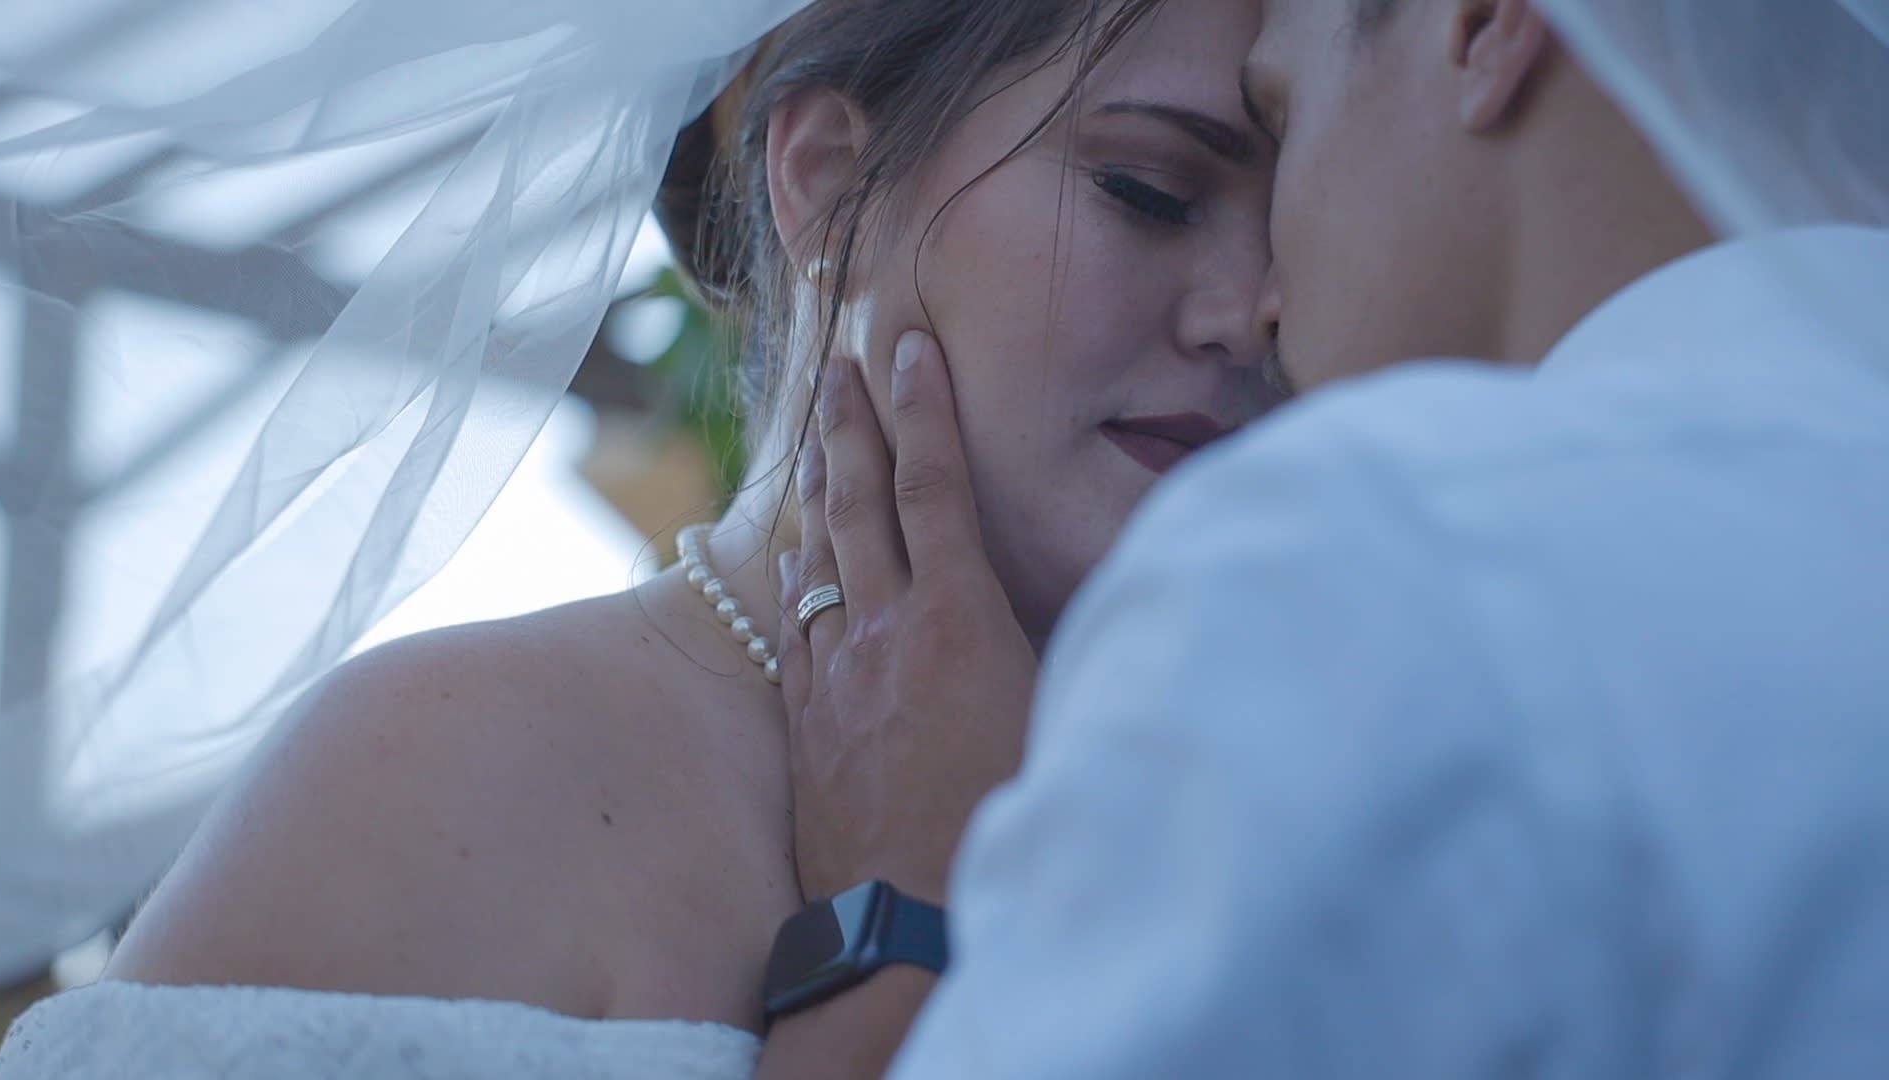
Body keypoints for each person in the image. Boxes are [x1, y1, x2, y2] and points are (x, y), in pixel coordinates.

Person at [0, 0, 1281, 1073]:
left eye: (1303, 232)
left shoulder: (1286, 823)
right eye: (1150, 190)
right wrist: (906, 927)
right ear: (827, 183)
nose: (1252, 314)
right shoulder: (456, 770)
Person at [765, 0, 1889, 1074]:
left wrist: (901, 909)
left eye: (1288, 115)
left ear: (1483, 23)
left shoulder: (1373, 554)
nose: (1259, 309)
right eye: (1153, 191)